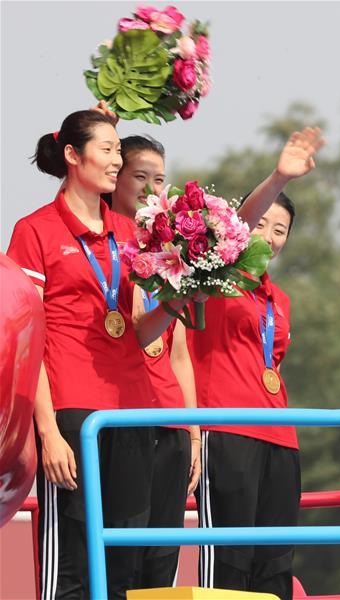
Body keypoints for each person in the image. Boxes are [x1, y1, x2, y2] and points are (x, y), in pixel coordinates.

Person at [6, 109, 196, 599]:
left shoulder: (129, 233)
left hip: (131, 411)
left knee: (123, 565)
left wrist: (177, 300)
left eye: (118, 150)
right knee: (72, 563)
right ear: (73, 155)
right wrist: (47, 432)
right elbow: (28, 340)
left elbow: (139, 330)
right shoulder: (35, 230)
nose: (116, 161)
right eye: (107, 150)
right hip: (72, 414)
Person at [189, 128, 324, 599]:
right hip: (226, 430)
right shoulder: (212, 279)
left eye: (280, 230)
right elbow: (233, 232)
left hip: (280, 438)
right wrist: (279, 177)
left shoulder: (279, 300)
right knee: (229, 561)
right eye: (262, 223)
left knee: (274, 563)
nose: (269, 236)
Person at [107, 134, 202, 588]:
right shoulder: (106, 244)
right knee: (122, 557)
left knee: (162, 562)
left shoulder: (168, 252)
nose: (150, 189)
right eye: (139, 176)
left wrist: (193, 432)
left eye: (159, 180)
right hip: (125, 418)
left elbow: (179, 355)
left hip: (170, 423)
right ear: (115, 177)